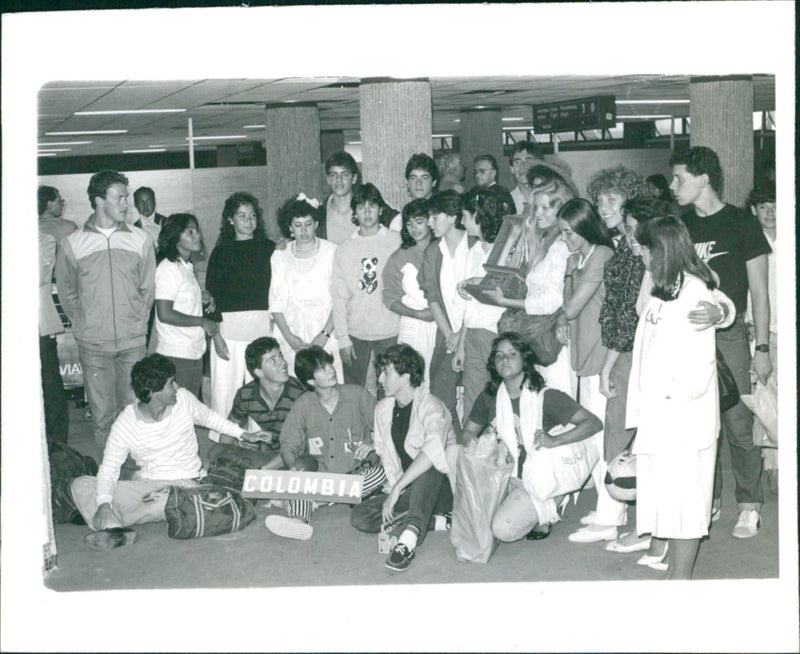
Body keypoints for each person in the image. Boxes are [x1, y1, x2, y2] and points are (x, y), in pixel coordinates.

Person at [670, 146, 771, 539]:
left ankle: (749, 505)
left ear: (704, 179)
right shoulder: (681, 228)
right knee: (698, 425)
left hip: (729, 336)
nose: (674, 186)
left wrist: (761, 349)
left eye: (680, 178)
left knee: (739, 426)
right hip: (690, 338)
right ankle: (709, 498)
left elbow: (760, 292)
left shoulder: (741, 223)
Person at [70, 354, 272, 550]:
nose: (177, 387)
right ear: (153, 393)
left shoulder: (184, 400)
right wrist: (104, 503)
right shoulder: (126, 423)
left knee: (172, 500)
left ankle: (114, 519)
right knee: (81, 485)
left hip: (186, 486)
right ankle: (114, 530)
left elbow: (210, 418)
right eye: (170, 384)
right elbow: (109, 468)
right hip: (147, 486)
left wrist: (243, 434)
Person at [626, 216, 720, 579]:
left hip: (681, 416)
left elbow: (699, 366)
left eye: (646, 248)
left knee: (686, 499)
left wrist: (669, 407)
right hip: (658, 412)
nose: (641, 254)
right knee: (668, 496)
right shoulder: (663, 286)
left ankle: (680, 578)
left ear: (660, 249)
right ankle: (673, 573)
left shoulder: (693, 290)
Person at [462, 333, 603, 542]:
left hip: (539, 478)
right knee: (473, 521)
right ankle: (522, 508)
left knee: (503, 530)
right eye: (499, 356)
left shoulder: (547, 396)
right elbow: (467, 432)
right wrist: (481, 449)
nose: (504, 360)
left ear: (525, 359)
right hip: (503, 476)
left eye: (511, 354)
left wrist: (555, 441)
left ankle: (554, 498)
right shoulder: (489, 397)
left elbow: (593, 423)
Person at [55, 170, 156, 450]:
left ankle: (134, 479)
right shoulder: (73, 243)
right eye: (120, 197)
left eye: (126, 197)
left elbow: (148, 289)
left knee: (134, 414)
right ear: (99, 200)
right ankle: (108, 484)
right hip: (93, 345)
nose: (127, 203)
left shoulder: (141, 239)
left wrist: (137, 322)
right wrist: (84, 325)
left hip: (132, 342)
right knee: (102, 419)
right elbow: (67, 293)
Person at [350, 344, 458, 572]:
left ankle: (406, 541)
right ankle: (437, 521)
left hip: (441, 488)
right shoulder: (382, 409)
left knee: (427, 462)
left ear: (406, 377)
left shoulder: (431, 406)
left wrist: (398, 488)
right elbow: (385, 452)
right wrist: (372, 449)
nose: (380, 379)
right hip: (409, 490)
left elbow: (434, 449)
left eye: (386, 373)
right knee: (360, 517)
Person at [553, 198, 623, 543]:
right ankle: (608, 508)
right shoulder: (581, 258)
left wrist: (568, 272)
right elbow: (567, 310)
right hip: (584, 357)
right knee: (592, 435)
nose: (563, 238)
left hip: (602, 357)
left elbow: (570, 306)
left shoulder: (602, 256)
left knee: (605, 438)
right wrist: (570, 269)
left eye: (568, 232)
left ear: (583, 228)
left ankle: (611, 517)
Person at [583, 166, 646, 536]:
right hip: (624, 347)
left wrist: (607, 365)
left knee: (619, 432)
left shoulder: (634, 244)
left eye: (612, 199)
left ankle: (612, 517)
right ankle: (615, 511)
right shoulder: (622, 242)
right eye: (600, 200)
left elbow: (627, 314)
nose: (603, 206)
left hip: (629, 350)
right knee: (620, 431)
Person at [269, 346, 387, 540]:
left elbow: (386, 425)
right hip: (322, 476)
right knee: (298, 479)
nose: (331, 370)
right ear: (310, 380)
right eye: (321, 369)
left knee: (381, 473)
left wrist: (376, 445)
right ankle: (299, 522)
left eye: (329, 364)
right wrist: (293, 466)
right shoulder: (303, 404)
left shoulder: (357, 394)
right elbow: (288, 443)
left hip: (359, 472)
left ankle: (316, 502)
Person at [486, 161, 580, 397]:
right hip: (539, 335)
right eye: (535, 207)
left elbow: (551, 301)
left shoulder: (561, 246)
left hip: (553, 339)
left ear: (561, 209)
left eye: (545, 208)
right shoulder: (547, 243)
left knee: (556, 401)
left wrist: (507, 302)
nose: (537, 214)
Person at [205, 192, 274, 441]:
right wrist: (216, 336)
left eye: (252, 215)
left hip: (262, 330)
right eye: (242, 216)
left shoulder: (270, 249)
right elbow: (210, 298)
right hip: (228, 333)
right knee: (226, 392)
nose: (248, 221)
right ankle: (222, 445)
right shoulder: (221, 253)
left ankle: (260, 442)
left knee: (261, 391)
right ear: (230, 220)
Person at [331, 183, 401, 388]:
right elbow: (338, 297)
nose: (367, 212)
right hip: (356, 334)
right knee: (355, 392)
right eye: (361, 207)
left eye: (372, 206)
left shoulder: (396, 241)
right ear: (355, 213)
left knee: (390, 391)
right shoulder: (344, 249)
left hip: (390, 332)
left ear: (381, 209)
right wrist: (343, 338)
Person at [418, 190, 476, 436]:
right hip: (447, 335)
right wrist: (450, 335)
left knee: (475, 396)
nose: (430, 223)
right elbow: (432, 297)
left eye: (434, 216)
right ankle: (455, 445)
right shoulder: (433, 251)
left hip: (473, 331)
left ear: (453, 216)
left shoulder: (475, 244)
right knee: (440, 394)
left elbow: (477, 300)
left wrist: (460, 336)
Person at [270, 193, 342, 381]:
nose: (304, 231)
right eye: (298, 225)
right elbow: (275, 301)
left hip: (326, 330)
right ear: (290, 227)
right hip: (292, 333)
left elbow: (339, 297)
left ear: (316, 224)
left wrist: (324, 335)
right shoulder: (280, 255)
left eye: (308, 224)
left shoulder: (332, 251)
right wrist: (290, 338)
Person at [208, 336, 307, 470]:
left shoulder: (300, 392)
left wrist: (272, 441)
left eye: (280, 356)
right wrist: (240, 441)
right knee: (216, 451)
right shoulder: (246, 394)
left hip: (294, 454)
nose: (283, 363)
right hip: (265, 454)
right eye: (273, 360)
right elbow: (229, 431)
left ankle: (262, 474)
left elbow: (305, 439)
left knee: (303, 465)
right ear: (259, 372)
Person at [455, 186, 508, 420]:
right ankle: (472, 451)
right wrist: (461, 345)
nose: (462, 222)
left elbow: (510, 291)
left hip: (497, 333)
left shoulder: (506, 249)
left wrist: (481, 283)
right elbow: (469, 308)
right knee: (473, 398)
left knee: (502, 397)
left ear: (479, 216)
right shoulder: (474, 250)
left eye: (465, 216)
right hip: (474, 333)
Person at [153, 213, 218, 399]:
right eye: (190, 232)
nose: (197, 235)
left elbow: (182, 301)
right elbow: (164, 313)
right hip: (177, 353)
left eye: (196, 230)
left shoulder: (185, 267)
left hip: (191, 350)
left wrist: (202, 296)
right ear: (175, 238)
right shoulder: (168, 269)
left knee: (187, 408)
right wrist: (202, 321)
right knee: (179, 411)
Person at [382, 198, 437, 388]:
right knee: (410, 381)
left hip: (442, 325)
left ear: (431, 221)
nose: (414, 228)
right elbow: (389, 298)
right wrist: (417, 314)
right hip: (412, 325)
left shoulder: (443, 250)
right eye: (409, 223)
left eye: (419, 222)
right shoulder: (399, 256)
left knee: (437, 383)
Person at [745, 184, 778, 494]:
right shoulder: (751, 242)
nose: (770, 212)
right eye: (764, 206)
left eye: (775, 206)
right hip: (761, 330)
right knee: (764, 395)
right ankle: (772, 463)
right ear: (753, 210)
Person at [39, 230, 69, 446]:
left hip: (39, 328)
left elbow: (37, 276)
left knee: (51, 389)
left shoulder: (44, 239)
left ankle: (59, 448)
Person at [317, 151, 360, 244]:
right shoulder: (318, 214)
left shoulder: (366, 209)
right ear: (328, 179)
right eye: (334, 175)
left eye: (345, 174)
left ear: (354, 178)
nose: (339, 180)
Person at [389, 153, 439, 231]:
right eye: (413, 178)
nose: (418, 183)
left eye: (424, 178)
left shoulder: (441, 217)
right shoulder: (399, 222)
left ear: (434, 183)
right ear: (407, 183)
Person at [508, 141, 543, 215]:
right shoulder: (508, 201)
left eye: (528, 161)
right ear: (512, 169)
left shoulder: (548, 198)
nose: (522, 166)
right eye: (517, 162)